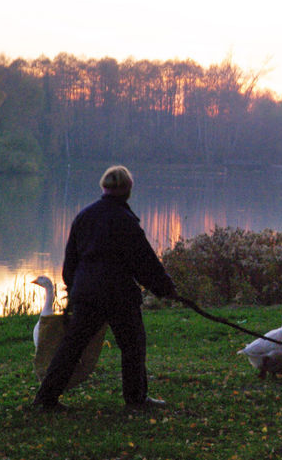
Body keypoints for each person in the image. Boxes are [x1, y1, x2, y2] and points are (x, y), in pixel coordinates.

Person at [33, 165, 177, 412]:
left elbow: (70, 263)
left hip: (87, 295)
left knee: (71, 346)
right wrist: (165, 288)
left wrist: (73, 289)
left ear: (103, 187)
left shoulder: (84, 217)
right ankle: (136, 399)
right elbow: (144, 262)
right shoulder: (126, 221)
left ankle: (46, 398)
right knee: (132, 346)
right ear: (128, 190)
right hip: (119, 295)